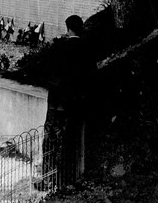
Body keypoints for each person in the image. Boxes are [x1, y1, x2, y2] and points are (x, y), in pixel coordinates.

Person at [41, 15, 96, 187]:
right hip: (76, 104)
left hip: (57, 102)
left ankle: (48, 179)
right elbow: (92, 76)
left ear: (67, 28)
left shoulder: (59, 47)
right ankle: (65, 179)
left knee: (50, 139)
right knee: (69, 141)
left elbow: (48, 72)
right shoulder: (87, 49)